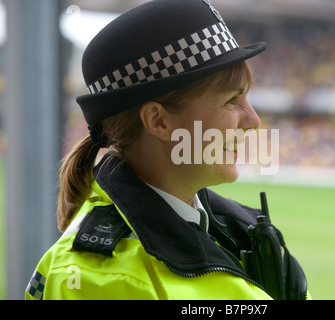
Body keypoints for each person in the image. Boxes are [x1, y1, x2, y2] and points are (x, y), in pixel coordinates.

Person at [26, 0, 309, 300]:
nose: (253, 120)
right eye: (231, 100)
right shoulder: (100, 278)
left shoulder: (240, 227)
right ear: (158, 121)